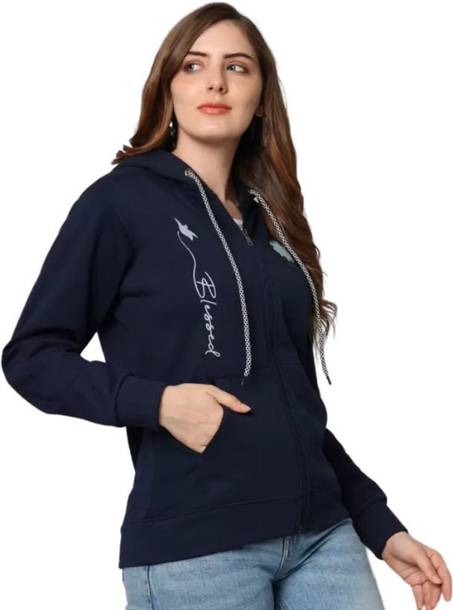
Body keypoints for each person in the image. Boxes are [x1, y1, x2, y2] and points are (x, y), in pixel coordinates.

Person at [2, 3, 451, 609]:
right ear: (167, 89)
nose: (215, 82)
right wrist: (158, 402)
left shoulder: (274, 224)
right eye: (193, 66)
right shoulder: (118, 204)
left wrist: (380, 525)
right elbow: (31, 358)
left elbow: (293, 405)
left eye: (236, 67)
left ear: (261, 97)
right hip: (198, 546)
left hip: (324, 537)